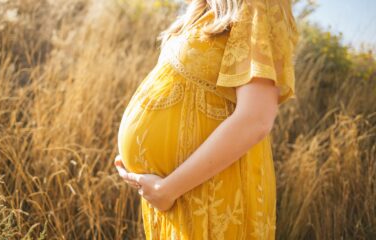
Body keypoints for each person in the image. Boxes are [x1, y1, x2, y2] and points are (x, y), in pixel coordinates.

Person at [114, 0, 299, 239]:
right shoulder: (204, 9)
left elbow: (256, 118)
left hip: (211, 193)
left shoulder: (258, 4)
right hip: (179, 194)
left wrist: (167, 189)